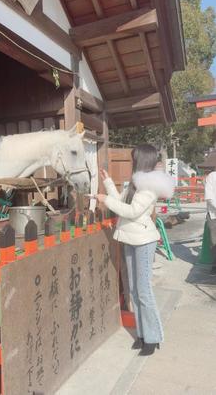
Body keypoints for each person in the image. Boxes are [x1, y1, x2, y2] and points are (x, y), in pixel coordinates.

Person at [96, 144, 174, 356]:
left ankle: (153, 337)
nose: (131, 162)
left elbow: (132, 211)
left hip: (143, 240)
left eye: (133, 159)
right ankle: (142, 334)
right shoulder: (136, 183)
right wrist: (108, 182)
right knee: (134, 290)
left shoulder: (150, 186)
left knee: (144, 291)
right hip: (130, 238)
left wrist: (105, 200)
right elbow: (122, 201)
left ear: (141, 160)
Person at [204, 169, 216, 275]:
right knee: (214, 242)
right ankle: (215, 265)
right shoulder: (212, 176)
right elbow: (209, 198)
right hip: (214, 215)